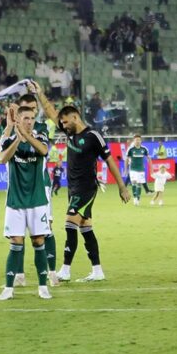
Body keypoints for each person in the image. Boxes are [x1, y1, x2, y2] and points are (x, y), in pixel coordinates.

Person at [56, 106, 130, 282]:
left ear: (75, 117)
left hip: (86, 188)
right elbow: (51, 113)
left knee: (70, 223)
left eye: (65, 122)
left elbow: (110, 160)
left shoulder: (93, 136)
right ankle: (97, 271)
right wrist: (39, 95)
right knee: (85, 227)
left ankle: (65, 270)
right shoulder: (69, 133)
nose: (63, 126)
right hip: (73, 189)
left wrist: (122, 187)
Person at [0, 105, 52, 300]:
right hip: (15, 202)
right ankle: (8, 289)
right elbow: (2, 159)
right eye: (26, 118)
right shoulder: (9, 140)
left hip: (37, 200)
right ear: (18, 120)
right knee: (16, 243)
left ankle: (43, 287)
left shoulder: (41, 137)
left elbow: (43, 150)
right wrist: (17, 138)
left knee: (38, 241)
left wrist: (26, 136)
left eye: (32, 118)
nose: (30, 121)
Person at [126, 134, 149, 206]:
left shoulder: (144, 149)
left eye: (139, 140)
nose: (137, 141)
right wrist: (126, 169)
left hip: (141, 170)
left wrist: (151, 167)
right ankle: (135, 198)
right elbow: (126, 159)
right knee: (134, 182)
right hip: (132, 169)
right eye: (136, 140)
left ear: (141, 140)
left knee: (139, 184)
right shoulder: (130, 149)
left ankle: (138, 199)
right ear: (134, 141)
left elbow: (148, 158)